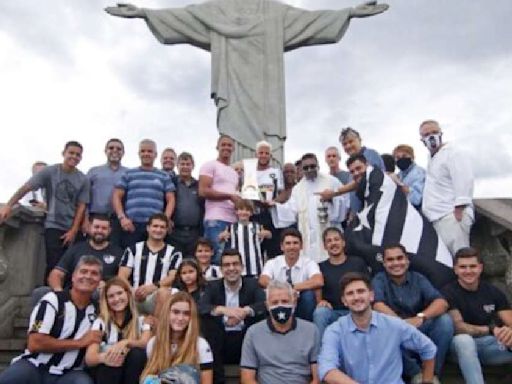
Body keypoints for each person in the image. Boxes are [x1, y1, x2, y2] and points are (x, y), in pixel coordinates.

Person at [105, 1, 388, 164]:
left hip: (267, 99)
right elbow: (183, 18)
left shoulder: (275, 13)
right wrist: (145, 13)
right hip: (235, 94)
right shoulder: (216, 11)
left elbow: (312, 22)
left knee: (268, 151)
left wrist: (348, 12)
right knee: (236, 150)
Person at [318, 272, 437, 384]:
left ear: (371, 296)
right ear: (344, 301)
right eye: (350, 293)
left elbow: (428, 348)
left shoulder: (394, 325)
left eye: (361, 291)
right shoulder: (335, 331)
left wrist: (426, 381)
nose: (356, 297)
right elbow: (326, 369)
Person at [0, 256, 103, 384]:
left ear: (99, 282)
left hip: (70, 372)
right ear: (73, 277)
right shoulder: (52, 300)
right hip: (34, 365)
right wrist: (80, 342)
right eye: (83, 271)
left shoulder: (99, 311)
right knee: (11, 378)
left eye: (94, 273)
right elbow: (35, 343)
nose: (88, 276)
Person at [0, 141, 90, 278]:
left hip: (72, 227)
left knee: (73, 267)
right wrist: (9, 205)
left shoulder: (83, 179)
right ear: (63, 153)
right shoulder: (50, 171)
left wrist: (73, 230)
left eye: (78, 155)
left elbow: (82, 206)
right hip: (53, 225)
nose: (74, 157)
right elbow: (27, 187)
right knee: (53, 264)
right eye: (71, 153)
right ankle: (50, 295)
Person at [372, 244, 453, 382]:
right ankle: (416, 373)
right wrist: (400, 323)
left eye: (399, 258)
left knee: (445, 321)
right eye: (390, 260)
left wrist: (421, 317)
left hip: (418, 326)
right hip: (394, 329)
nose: (396, 263)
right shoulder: (379, 279)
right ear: (384, 264)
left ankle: (432, 374)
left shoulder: (418, 278)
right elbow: (377, 304)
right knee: (383, 330)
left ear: (407, 261)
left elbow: (442, 302)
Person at [442, 247, 512, 384]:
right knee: (464, 340)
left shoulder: (493, 291)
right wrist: (491, 329)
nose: (468, 271)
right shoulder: (448, 292)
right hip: (458, 348)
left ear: (480, 268)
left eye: (472, 266)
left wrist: (508, 333)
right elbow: (459, 328)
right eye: (463, 267)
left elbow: (510, 321)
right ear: (455, 269)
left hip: (489, 347)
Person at [199, 249, 266, 383]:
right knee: (208, 322)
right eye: (227, 265)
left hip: (245, 339)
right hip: (220, 341)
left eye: (235, 264)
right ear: (221, 269)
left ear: (242, 267)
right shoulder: (212, 286)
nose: (231, 268)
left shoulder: (253, 284)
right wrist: (223, 310)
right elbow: (201, 307)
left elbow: (264, 305)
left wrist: (244, 312)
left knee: (259, 320)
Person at [270, 153, 349, 262]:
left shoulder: (331, 181)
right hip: (307, 236)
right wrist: (275, 206)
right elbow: (291, 210)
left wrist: (332, 199)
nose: (309, 170)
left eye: (312, 166)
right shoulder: (298, 188)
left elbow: (345, 203)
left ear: (318, 166)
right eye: (306, 168)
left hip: (328, 231)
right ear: (301, 169)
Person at [240, 280, 321, 384]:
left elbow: (317, 378)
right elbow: (247, 378)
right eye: (274, 302)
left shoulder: (311, 331)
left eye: (285, 301)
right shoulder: (253, 332)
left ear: (294, 302)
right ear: (267, 305)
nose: (280, 306)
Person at [420, 119, 474, 256]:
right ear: (422, 140)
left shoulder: (453, 152)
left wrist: (460, 207)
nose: (431, 137)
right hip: (437, 218)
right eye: (426, 134)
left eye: (434, 132)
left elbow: (464, 178)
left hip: (451, 216)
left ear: (441, 134)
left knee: (461, 257)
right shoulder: (432, 158)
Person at [85, 277, 152, 384]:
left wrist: (125, 342)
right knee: (112, 362)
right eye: (111, 296)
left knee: (137, 354)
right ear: (106, 300)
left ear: (128, 294)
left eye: (120, 293)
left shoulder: (141, 320)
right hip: (108, 373)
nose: (116, 299)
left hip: (131, 373)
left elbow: (144, 343)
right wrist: (106, 357)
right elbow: (90, 358)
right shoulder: (101, 323)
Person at [113, 139, 175, 249]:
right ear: (139, 153)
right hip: (131, 225)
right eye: (143, 151)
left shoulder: (164, 176)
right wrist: (122, 218)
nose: (146, 154)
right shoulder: (128, 174)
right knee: (130, 259)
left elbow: (171, 199)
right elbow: (117, 196)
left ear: (155, 155)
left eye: (150, 151)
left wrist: (164, 220)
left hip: (155, 227)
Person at [141, 291, 214, 384]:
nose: (180, 318)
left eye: (186, 313)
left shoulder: (200, 345)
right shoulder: (153, 343)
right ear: (167, 313)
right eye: (176, 312)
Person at [118, 213, 182, 315]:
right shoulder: (133, 249)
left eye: (162, 227)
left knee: (164, 292)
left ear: (167, 230)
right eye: (155, 226)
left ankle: (157, 328)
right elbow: (122, 275)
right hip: (135, 295)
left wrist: (153, 287)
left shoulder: (174, 252)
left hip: (158, 296)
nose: (158, 230)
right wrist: (132, 291)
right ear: (148, 228)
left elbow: (173, 276)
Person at [313, 227, 368, 338]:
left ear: (343, 243)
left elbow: (368, 286)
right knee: (320, 313)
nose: (333, 243)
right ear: (324, 246)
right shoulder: (319, 267)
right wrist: (321, 301)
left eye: (336, 239)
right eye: (329, 241)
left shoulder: (358, 262)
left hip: (356, 309)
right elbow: (317, 289)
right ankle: (321, 352)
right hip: (333, 311)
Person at [259, 228, 323, 321]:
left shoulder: (309, 262)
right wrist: (284, 291)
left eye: (295, 243)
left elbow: (318, 281)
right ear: (282, 247)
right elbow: (263, 280)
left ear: (301, 246)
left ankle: (306, 327)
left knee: (308, 295)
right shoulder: (273, 262)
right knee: (263, 295)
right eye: (288, 243)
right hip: (278, 300)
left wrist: (293, 287)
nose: (292, 247)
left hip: (300, 302)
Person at [48, 214, 124, 292]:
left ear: (109, 230)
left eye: (104, 228)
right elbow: (57, 273)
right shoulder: (76, 249)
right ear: (90, 228)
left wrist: (108, 286)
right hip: (74, 294)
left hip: (102, 295)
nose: (100, 231)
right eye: (96, 227)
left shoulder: (118, 253)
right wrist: (58, 291)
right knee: (41, 291)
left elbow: (122, 280)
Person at [199, 135, 240, 265]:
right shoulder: (209, 165)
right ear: (217, 147)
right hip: (216, 220)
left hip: (233, 221)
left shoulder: (234, 173)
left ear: (233, 148)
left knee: (230, 261)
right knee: (216, 258)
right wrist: (229, 196)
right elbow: (203, 190)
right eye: (223, 144)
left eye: (229, 145)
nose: (226, 148)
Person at [86, 138, 127, 247]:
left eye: (119, 149)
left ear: (123, 152)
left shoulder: (129, 173)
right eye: (111, 148)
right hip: (95, 219)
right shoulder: (93, 171)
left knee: (115, 251)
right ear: (105, 151)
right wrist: (85, 220)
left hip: (118, 221)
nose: (115, 150)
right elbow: (84, 197)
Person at [218, 199, 271, 277]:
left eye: (247, 210)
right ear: (236, 211)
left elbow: (269, 235)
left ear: (251, 213)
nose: (244, 212)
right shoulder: (231, 227)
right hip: (237, 265)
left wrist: (267, 233)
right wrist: (222, 236)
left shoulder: (257, 226)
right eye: (241, 209)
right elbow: (220, 239)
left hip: (255, 265)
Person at [339, 127, 384, 214]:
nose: (348, 146)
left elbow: (363, 180)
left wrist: (335, 192)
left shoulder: (370, 155)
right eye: (344, 144)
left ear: (359, 140)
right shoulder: (352, 164)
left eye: (351, 141)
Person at [250, 140, 284, 258]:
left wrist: (275, 201)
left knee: (273, 250)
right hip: (254, 215)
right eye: (261, 153)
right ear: (256, 154)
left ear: (270, 155)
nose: (263, 155)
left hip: (271, 215)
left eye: (266, 153)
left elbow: (281, 193)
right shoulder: (250, 172)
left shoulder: (276, 172)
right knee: (255, 249)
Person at [169, 152, 204, 257]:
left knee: (192, 264)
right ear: (177, 166)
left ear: (193, 166)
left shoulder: (199, 185)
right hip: (175, 232)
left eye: (188, 164)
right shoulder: (172, 183)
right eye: (182, 164)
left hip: (195, 232)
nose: (185, 167)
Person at [392, 144, 425, 210]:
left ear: (412, 157)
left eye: (404, 156)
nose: (401, 159)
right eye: (398, 157)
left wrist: (399, 184)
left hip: (418, 213)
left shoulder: (419, 173)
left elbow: (417, 199)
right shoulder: (399, 175)